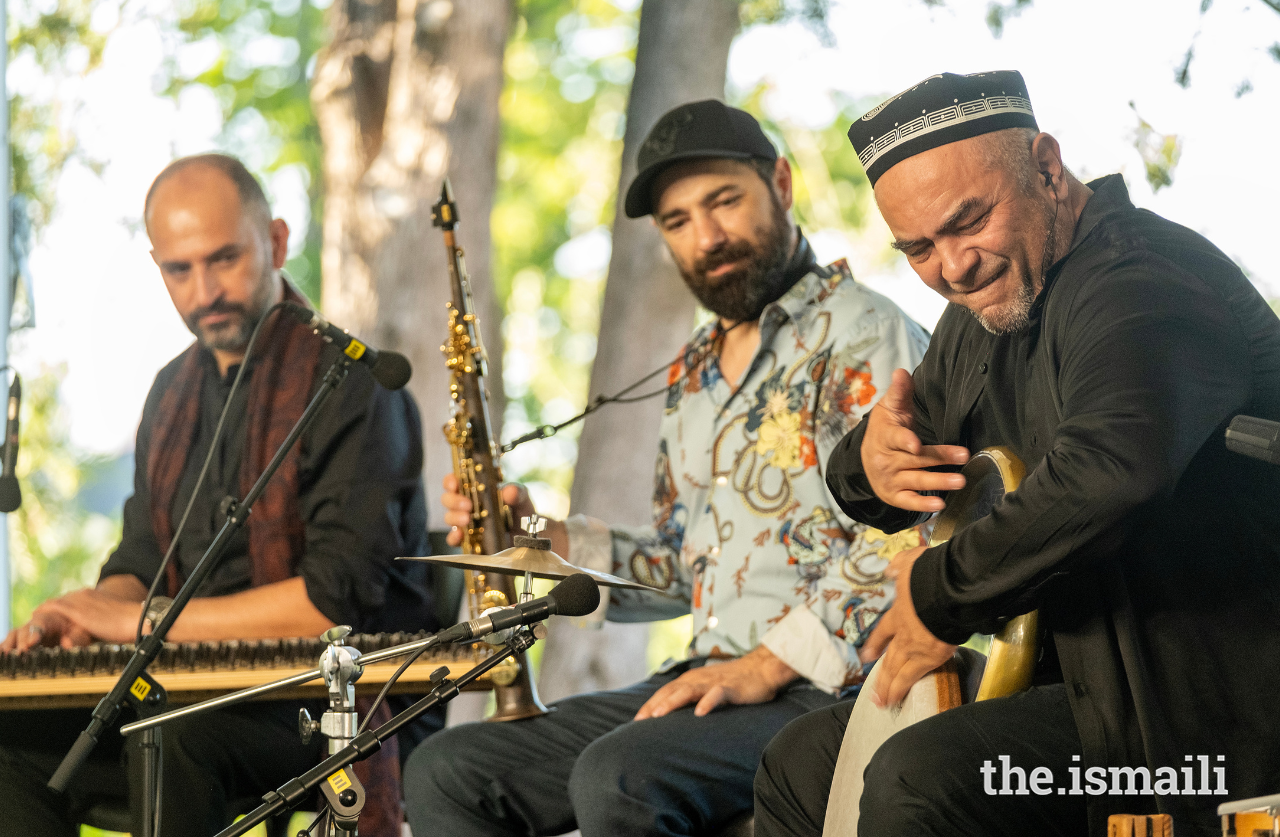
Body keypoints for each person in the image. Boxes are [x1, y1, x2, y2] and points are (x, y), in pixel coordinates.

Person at [752, 70, 1280, 837]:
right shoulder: (982, 313)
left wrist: (939, 595)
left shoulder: (1144, 281)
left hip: (1204, 725)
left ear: (1048, 168)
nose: (953, 267)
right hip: (1080, 694)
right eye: (919, 249)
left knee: (921, 780)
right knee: (803, 761)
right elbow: (903, 442)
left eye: (969, 222)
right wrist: (866, 465)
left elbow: (1110, 473)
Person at [401, 99, 931, 837]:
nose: (707, 238)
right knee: (449, 772)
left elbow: (912, 540)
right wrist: (537, 538)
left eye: (723, 203)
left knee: (621, 776)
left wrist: (764, 666)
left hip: (834, 687)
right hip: (710, 677)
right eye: (678, 223)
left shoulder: (867, 333)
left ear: (780, 184)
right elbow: (683, 569)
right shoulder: (694, 374)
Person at [0, 153, 440, 837]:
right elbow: (139, 562)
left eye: (224, 258)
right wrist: (84, 617)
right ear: (159, 267)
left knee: (171, 736)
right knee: (8, 740)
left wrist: (142, 625)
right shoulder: (169, 393)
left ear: (278, 242)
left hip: (340, 701)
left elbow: (329, 604)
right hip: (188, 689)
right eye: (180, 269)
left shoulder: (353, 384)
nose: (205, 290)